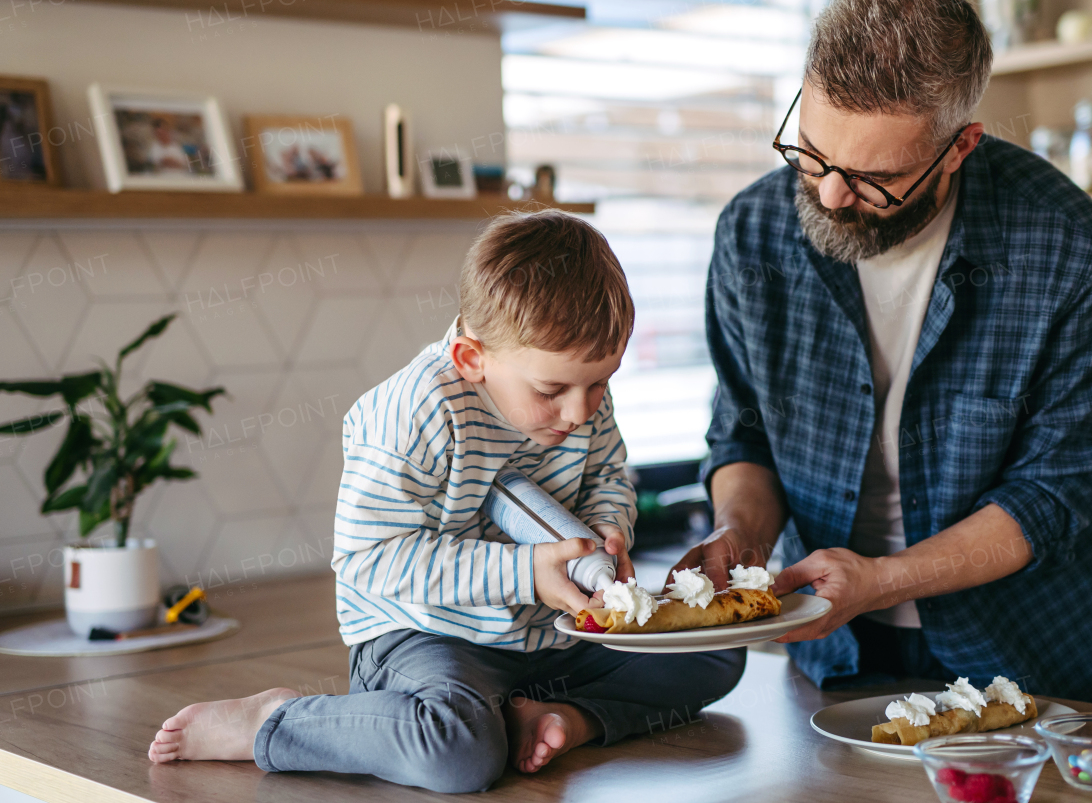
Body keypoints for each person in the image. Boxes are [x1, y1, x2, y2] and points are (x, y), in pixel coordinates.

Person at [671, 0, 1092, 704]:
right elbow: (743, 435)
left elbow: (1056, 489)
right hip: (834, 646)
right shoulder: (752, 234)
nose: (829, 193)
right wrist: (741, 537)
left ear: (959, 147)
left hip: (1033, 652)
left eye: (873, 177)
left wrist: (881, 580)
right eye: (811, 150)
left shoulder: (1062, 243)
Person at [148, 210, 746, 792]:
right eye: (551, 390)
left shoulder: (581, 396)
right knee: (458, 752)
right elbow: (367, 559)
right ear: (472, 359)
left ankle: (563, 721)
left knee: (717, 655)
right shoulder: (417, 412)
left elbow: (609, 478)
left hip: (548, 642)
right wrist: (522, 573)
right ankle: (277, 723)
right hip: (426, 635)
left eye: (600, 383)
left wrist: (609, 530)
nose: (579, 411)